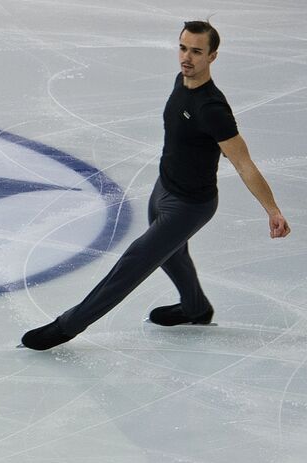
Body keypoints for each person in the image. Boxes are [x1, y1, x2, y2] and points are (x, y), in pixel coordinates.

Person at [22, 21, 290, 351]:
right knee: (172, 255)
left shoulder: (212, 109)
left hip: (190, 205)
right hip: (163, 189)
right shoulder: (182, 81)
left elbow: (243, 162)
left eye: (196, 51)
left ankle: (66, 326)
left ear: (213, 56)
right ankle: (196, 309)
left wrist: (272, 209)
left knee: (134, 261)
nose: (186, 58)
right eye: (183, 48)